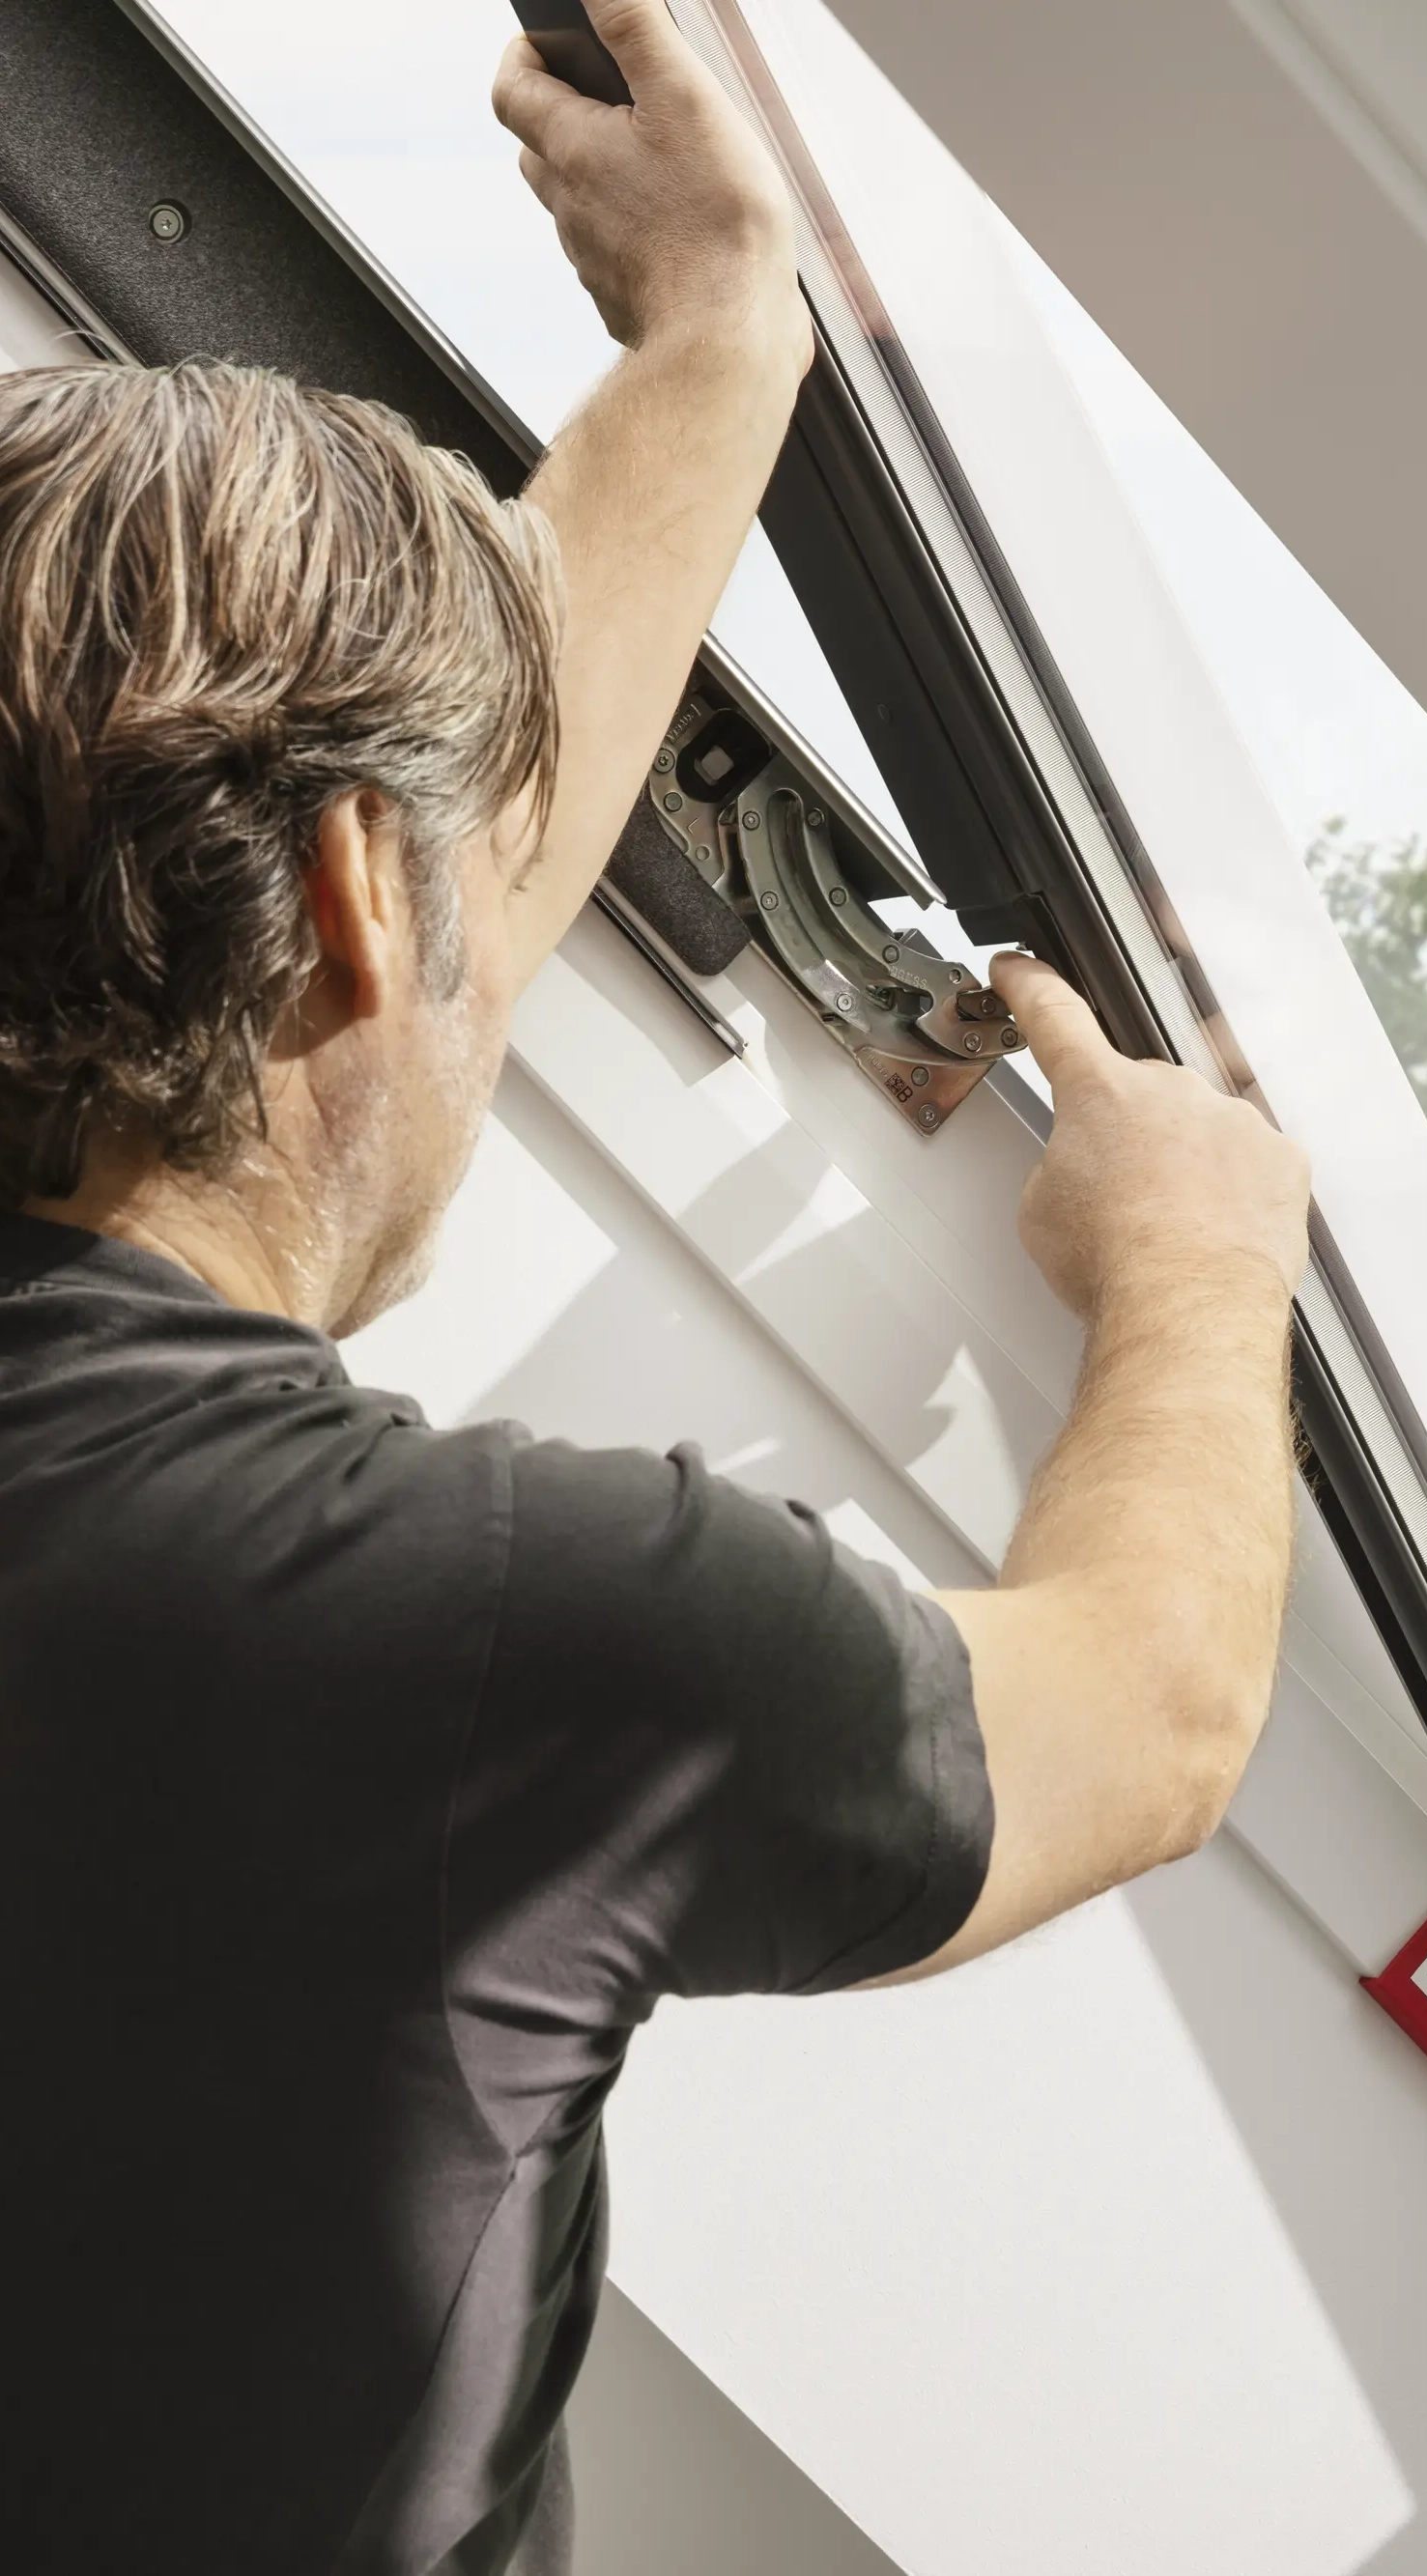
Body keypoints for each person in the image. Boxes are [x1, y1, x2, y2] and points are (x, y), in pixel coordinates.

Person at [0, 6, 1309, 2571]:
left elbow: (390, 983)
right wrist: (1200, 1269)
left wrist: (720, 339)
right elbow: (1148, 1710)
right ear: (371, 907)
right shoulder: (497, 1642)